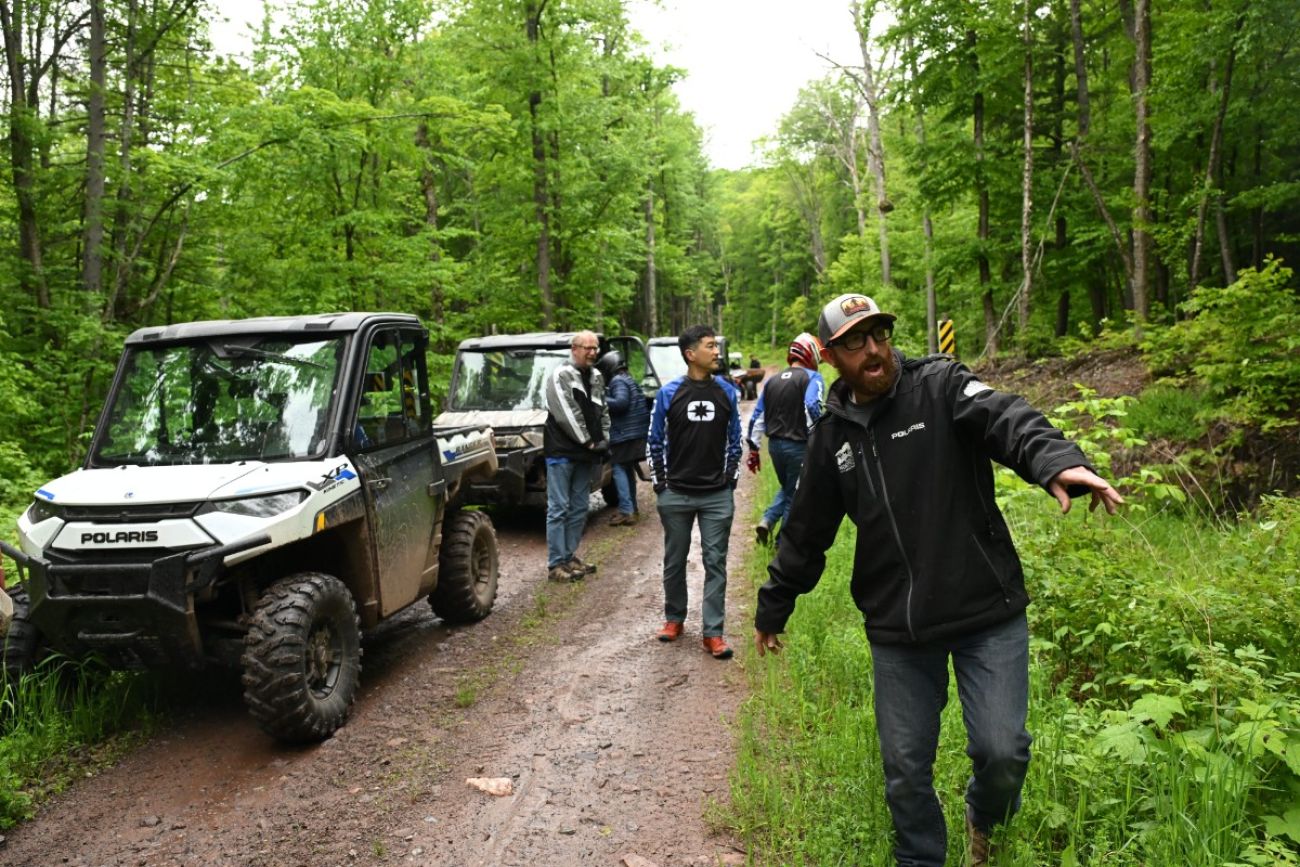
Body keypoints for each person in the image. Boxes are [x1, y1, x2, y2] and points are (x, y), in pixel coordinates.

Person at [753, 293, 1124, 866]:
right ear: (828, 355)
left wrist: (1054, 460)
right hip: (899, 627)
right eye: (855, 341)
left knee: (1003, 752)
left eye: (880, 334)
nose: (874, 350)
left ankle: (985, 817)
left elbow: (1006, 415)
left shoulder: (942, 386)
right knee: (905, 769)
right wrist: (774, 604)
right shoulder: (831, 438)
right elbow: (805, 533)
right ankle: (921, 858)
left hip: (985, 610)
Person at [647, 325, 742, 659]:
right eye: (710, 346)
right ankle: (674, 618)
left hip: (717, 495)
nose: (717, 352)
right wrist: (661, 484)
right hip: (676, 494)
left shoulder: (727, 392)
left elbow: (735, 440)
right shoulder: (668, 393)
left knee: (715, 562)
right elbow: (654, 439)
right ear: (691, 354)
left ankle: (713, 633)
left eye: (716, 345)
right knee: (674, 560)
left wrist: (729, 479)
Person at [745, 332, 825, 546]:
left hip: (775, 447)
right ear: (811, 354)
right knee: (796, 495)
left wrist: (754, 449)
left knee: (789, 487)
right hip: (798, 446)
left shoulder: (773, 380)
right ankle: (784, 544)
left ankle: (768, 520)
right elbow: (812, 406)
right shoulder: (812, 378)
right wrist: (819, 437)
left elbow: (757, 417)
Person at [543, 331, 611, 583]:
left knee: (580, 506)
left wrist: (605, 439)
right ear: (574, 348)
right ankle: (555, 563)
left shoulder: (596, 376)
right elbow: (566, 414)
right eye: (587, 348)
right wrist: (590, 440)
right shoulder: (560, 374)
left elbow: (603, 410)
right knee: (559, 507)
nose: (593, 352)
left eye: (596, 348)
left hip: (587, 453)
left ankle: (569, 556)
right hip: (562, 451)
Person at [597, 350, 650, 526]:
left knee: (619, 469)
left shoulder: (617, 381)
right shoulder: (627, 378)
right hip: (634, 433)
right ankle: (631, 509)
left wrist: (600, 398)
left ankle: (627, 511)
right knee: (627, 470)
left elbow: (621, 403)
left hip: (625, 434)